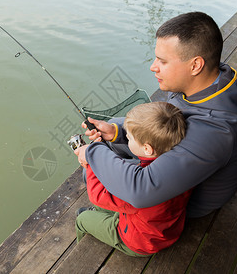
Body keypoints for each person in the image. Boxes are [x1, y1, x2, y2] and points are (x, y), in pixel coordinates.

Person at [75, 11, 237, 218]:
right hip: (180, 169)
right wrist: (117, 131)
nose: (153, 67)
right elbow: (160, 126)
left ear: (195, 65)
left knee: (92, 169)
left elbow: (141, 190)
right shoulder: (210, 81)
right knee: (112, 138)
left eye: (162, 61)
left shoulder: (215, 132)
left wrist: (92, 153)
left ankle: (109, 221)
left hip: (181, 206)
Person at [76, 101, 190, 256]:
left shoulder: (142, 189)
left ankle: (82, 253)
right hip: (163, 228)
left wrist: (90, 164)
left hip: (140, 241)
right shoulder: (183, 166)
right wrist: (114, 135)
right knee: (105, 211)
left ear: (147, 149)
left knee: (82, 219)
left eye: (129, 138)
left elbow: (98, 196)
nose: (127, 139)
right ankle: (100, 217)